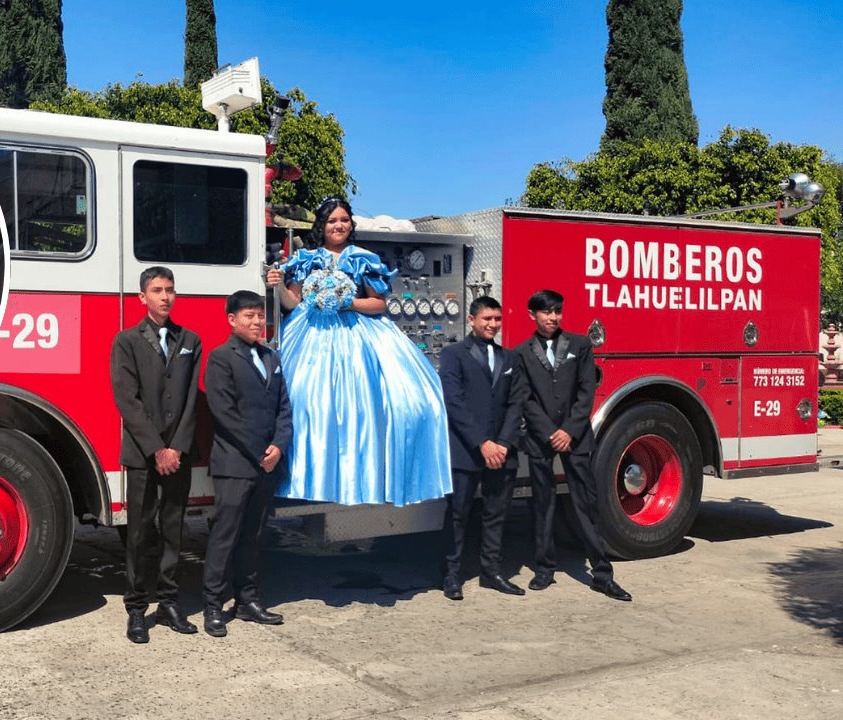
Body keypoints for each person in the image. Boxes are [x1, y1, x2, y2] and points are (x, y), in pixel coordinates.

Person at [266, 197, 451, 506]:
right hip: (309, 333)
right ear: (321, 226)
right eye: (332, 221)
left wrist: (345, 302)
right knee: (306, 400)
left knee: (381, 402)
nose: (339, 225)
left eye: (344, 220)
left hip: (359, 334)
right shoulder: (305, 258)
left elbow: (379, 304)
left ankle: (364, 474)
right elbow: (293, 304)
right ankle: (309, 476)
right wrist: (277, 287)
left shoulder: (364, 257)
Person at [515, 289, 631, 601]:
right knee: (543, 504)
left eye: (557, 312)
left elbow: (586, 390)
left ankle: (603, 575)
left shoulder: (580, 345)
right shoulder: (522, 352)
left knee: (586, 504)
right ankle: (544, 569)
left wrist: (568, 430)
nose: (553, 318)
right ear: (532, 315)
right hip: (541, 439)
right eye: (546, 312)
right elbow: (525, 398)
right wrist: (550, 431)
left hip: (576, 437)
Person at [110, 266, 203, 644]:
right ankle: (136, 608)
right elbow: (127, 401)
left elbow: (191, 400)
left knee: (173, 529)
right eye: (157, 290)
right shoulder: (127, 341)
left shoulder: (190, 340)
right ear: (142, 297)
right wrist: (156, 449)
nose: (164, 297)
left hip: (177, 453)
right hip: (143, 454)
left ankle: (169, 602)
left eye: (170, 290)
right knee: (139, 532)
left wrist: (176, 447)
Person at [201, 290, 292, 638]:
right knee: (225, 536)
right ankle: (212, 605)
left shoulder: (272, 357)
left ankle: (247, 601)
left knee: (254, 536)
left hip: (267, 463)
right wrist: (259, 451)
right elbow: (224, 414)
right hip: (235, 464)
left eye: (260, 316)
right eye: (249, 316)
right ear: (232, 320)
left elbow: (284, 409)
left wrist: (278, 447)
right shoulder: (221, 358)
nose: (257, 322)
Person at [438, 296, 529, 601]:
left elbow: (517, 403)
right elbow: (454, 402)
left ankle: (492, 572)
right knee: (458, 514)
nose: (492, 324)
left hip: (503, 452)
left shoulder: (511, 358)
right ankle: (452, 575)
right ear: (472, 320)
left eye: (497, 319)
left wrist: (503, 443)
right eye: (487, 319)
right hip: (467, 451)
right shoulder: (452, 355)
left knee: (496, 514)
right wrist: (482, 443)